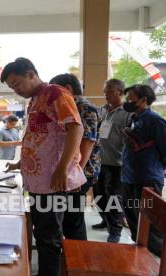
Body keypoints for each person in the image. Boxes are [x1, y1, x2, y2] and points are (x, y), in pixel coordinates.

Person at [2, 58, 85, 276]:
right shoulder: (35, 99)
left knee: (48, 238)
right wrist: (21, 162)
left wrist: (62, 168)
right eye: (12, 87)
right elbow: (39, 137)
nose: (16, 90)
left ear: (31, 74)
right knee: (42, 232)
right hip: (38, 182)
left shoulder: (55, 93)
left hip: (52, 181)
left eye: (17, 83)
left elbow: (76, 128)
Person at [121, 84, 166, 257]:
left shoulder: (155, 121)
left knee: (150, 223)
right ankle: (140, 256)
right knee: (133, 218)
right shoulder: (133, 119)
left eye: (131, 98)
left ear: (144, 100)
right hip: (129, 178)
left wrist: (156, 168)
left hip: (147, 181)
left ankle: (157, 261)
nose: (127, 101)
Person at [49, 73, 101, 241]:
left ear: (68, 89)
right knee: (68, 217)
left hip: (80, 173)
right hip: (73, 172)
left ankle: (77, 260)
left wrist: (76, 174)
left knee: (73, 220)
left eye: (56, 92)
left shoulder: (84, 107)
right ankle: (71, 257)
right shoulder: (72, 106)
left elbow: (87, 142)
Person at [93, 79, 132, 242]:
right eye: (104, 90)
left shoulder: (128, 114)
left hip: (117, 164)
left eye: (109, 91)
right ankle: (105, 220)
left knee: (114, 198)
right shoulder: (101, 111)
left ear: (120, 92)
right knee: (98, 196)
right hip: (99, 162)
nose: (105, 94)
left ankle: (115, 229)